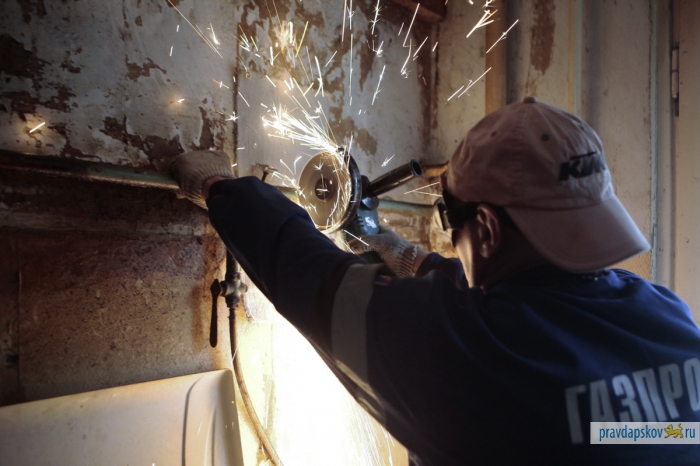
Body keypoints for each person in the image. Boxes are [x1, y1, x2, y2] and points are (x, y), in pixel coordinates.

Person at [173, 97, 700, 465]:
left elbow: (306, 271)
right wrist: (385, 243)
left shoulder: (467, 353)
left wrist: (220, 187)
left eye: (450, 220)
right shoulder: (666, 318)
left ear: (486, 229)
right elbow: (523, 315)